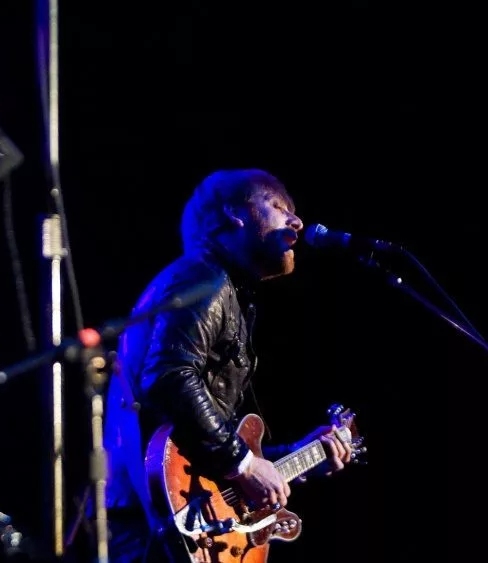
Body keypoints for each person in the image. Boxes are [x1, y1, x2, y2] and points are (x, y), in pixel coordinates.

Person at [95, 169, 354, 562]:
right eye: (277, 206)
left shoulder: (222, 289)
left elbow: (203, 443)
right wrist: (243, 463)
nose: (297, 222)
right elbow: (169, 376)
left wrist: (296, 457)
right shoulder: (204, 277)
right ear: (235, 213)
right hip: (150, 522)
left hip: (163, 513)